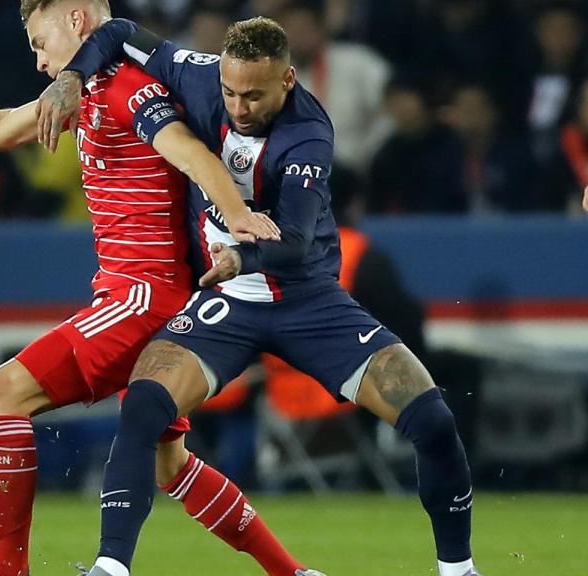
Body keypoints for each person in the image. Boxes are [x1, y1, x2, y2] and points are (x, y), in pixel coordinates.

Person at [0, 3, 324, 576]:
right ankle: (293, 573)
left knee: (2, 393)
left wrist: (235, 213)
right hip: (144, 296)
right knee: (171, 464)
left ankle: (6, 570)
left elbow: (189, 152)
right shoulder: (83, 91)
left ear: (77, 20)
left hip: (143, 295)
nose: (39, 62)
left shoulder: (125, 87)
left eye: (40, 42)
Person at [38, 15, 480, 576]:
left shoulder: (308, 135)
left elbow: (294, 241)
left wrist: (239, 257)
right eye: (230, 91)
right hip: (227, 306)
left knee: (433, 420)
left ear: (288, 81)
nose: (239, 107)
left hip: (308, 301)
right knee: (145, 403)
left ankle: (459, 570)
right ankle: (111, 568)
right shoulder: (194, 75)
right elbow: (114, 31)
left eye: (254, 95)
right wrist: (72, 78)